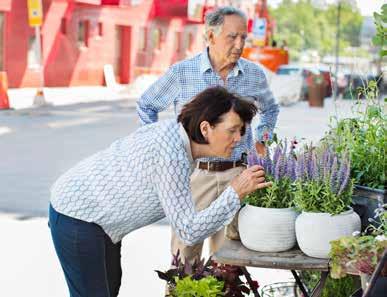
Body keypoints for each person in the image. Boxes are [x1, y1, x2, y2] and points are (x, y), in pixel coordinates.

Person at [49, 86, 271, 297]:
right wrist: (234, 192)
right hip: (77, 216)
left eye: (241, 130)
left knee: (108, 288)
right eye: (232, 130)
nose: (239, 138)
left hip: (99, 223)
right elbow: (188, 231)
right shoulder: (171, 155)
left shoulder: (178, 139)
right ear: (205, 128)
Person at [137, 6, 279, 263]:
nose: (239, 44)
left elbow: (270, 110)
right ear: (211, 37)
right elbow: (146, 105)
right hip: (193, 175)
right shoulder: (182, 73)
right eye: (231, 37)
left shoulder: (255, 75)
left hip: (238, 174)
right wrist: (158, 150)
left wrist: (261, 138)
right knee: (184, 261)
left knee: (230, 263)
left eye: (243, 38)